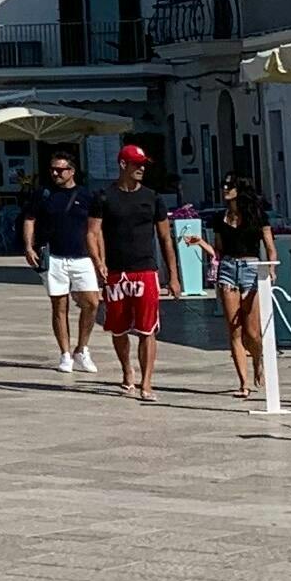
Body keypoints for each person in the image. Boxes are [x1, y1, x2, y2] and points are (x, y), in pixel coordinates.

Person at [92, 145, 180, 402]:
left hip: (145, 269)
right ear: (123, 165)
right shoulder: (104, 197)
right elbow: (92, 232)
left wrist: (173, 276)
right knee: (119, 329)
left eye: (143, 164)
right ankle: (126, 370)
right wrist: (99, 261)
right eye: (136, 164)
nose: (141, 169)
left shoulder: (153, 198)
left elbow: (165, 239)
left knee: (147, 329)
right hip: (117, 272)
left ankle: (147, 382)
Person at [22, 149, 102, 374]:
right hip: (53, 256)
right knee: (59, 305)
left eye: (61, 169)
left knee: (92, 303)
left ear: (72, 171)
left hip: (82, 256)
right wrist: (29, 246)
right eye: (53, 169)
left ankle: (82, 348)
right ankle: (65, 353)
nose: (56, 173)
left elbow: (96, 230)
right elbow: (30, 219)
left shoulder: (88, 196)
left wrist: (100, 260)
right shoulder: (43, 194)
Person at [210, 167, 277, 398]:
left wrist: (271, 267)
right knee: (234, 329)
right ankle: (243, 383)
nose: (225, 189)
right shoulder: (219, 219)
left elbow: (269, 246)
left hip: (251, 268)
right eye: (224, 185)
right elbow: (218, 249)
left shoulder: (257, 216)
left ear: (240, 190)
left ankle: (258, 360)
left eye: (230, 185)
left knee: (252, 331)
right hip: (228, 268)